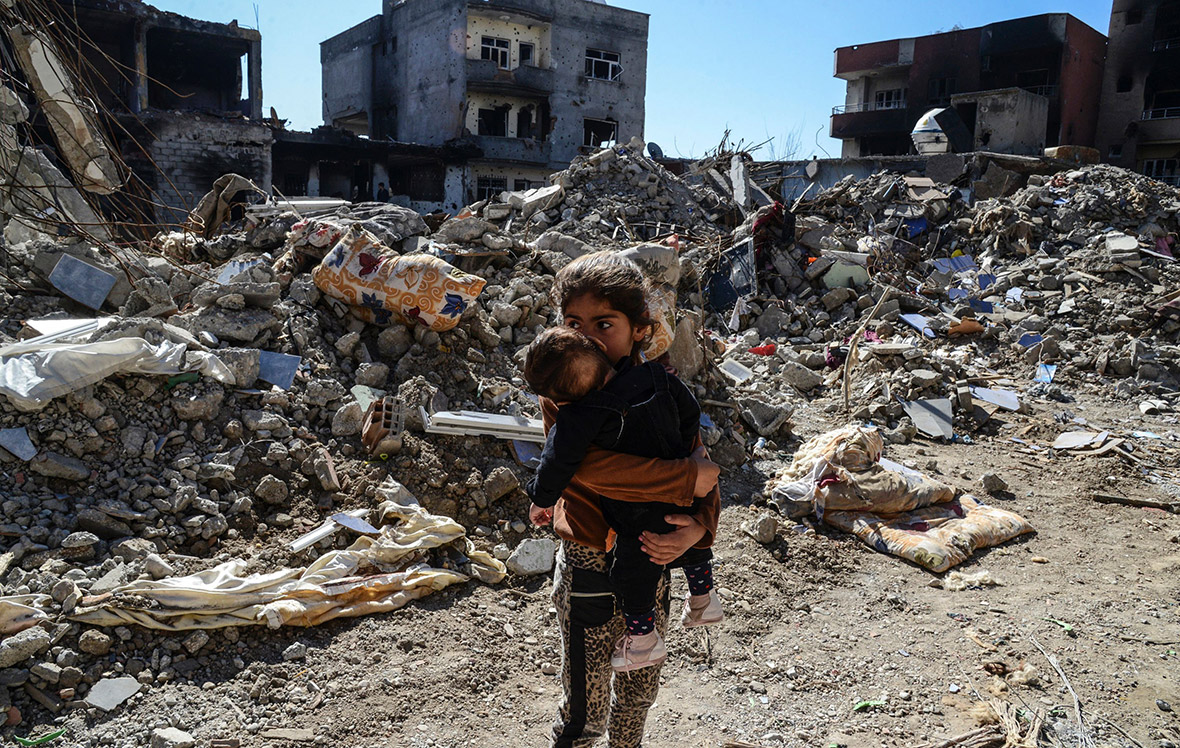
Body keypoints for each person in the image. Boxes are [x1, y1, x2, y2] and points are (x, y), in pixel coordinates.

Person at [529, 251, 721, 748]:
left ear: (639, 328)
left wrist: (699, 526)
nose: (587, 336)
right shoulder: (565, 396)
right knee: (584, 710)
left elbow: (702, 461)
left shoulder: (660, 388)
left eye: (604, 323)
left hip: (655, 558)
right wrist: (684, 482)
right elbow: (593, 471)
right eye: (574, 322)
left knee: (638, 694)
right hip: (588, 561)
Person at [523, 326, 722, 672]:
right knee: (688, 536)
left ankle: (643, 642)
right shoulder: (658, 376)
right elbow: (690, 413)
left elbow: (556, 465)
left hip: (637, 514)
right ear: (598, 351)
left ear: (562, 399)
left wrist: (541, 498)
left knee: (633, 569)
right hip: (684, 488)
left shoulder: (578, 417)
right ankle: (704, 598)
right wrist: (684, 453)